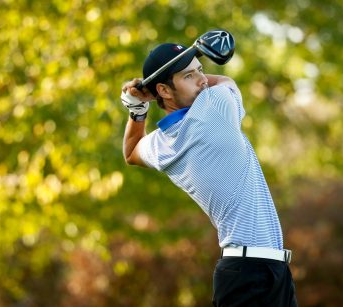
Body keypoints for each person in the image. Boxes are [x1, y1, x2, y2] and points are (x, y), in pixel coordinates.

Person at [121, 42, 298, 306]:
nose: (203, 80)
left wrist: (138, 109)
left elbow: (131, 150)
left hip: (258, 271)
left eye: (201, 70)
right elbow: (225, 80)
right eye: (189, 76)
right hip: (250, 275)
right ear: (164, 90)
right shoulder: (213, 108)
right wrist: (149, 93)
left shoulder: (162, 145)